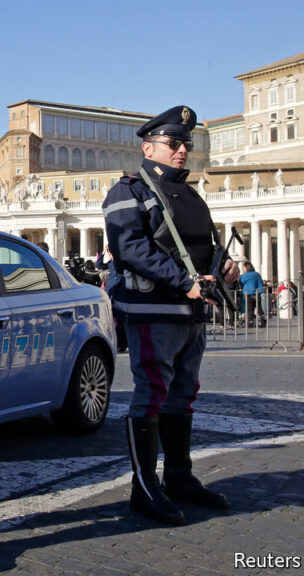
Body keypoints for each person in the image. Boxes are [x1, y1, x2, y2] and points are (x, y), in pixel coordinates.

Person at [103, 106, 239, 526]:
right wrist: (185, 281)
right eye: (174, 143)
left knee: (182, 396)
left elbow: (202, 247)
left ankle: (179, 477)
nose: (182, 150)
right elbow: (130, 250)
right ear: (149, 147)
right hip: (153, 310)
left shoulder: (192, 194)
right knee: (151, 397)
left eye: (186, 144)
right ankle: (144, 488)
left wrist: (224, 268)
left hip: (191, 313)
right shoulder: (128, 192)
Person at [239, 262, 266, 328]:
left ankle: (250, 322)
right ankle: (263, 321)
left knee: (250, 309)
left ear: (246, 268)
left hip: (248, 293)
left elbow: (241, 282)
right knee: (259, 308)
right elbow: (261, 283)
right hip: (257, 293)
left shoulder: (245, 275)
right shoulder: (257, 274)